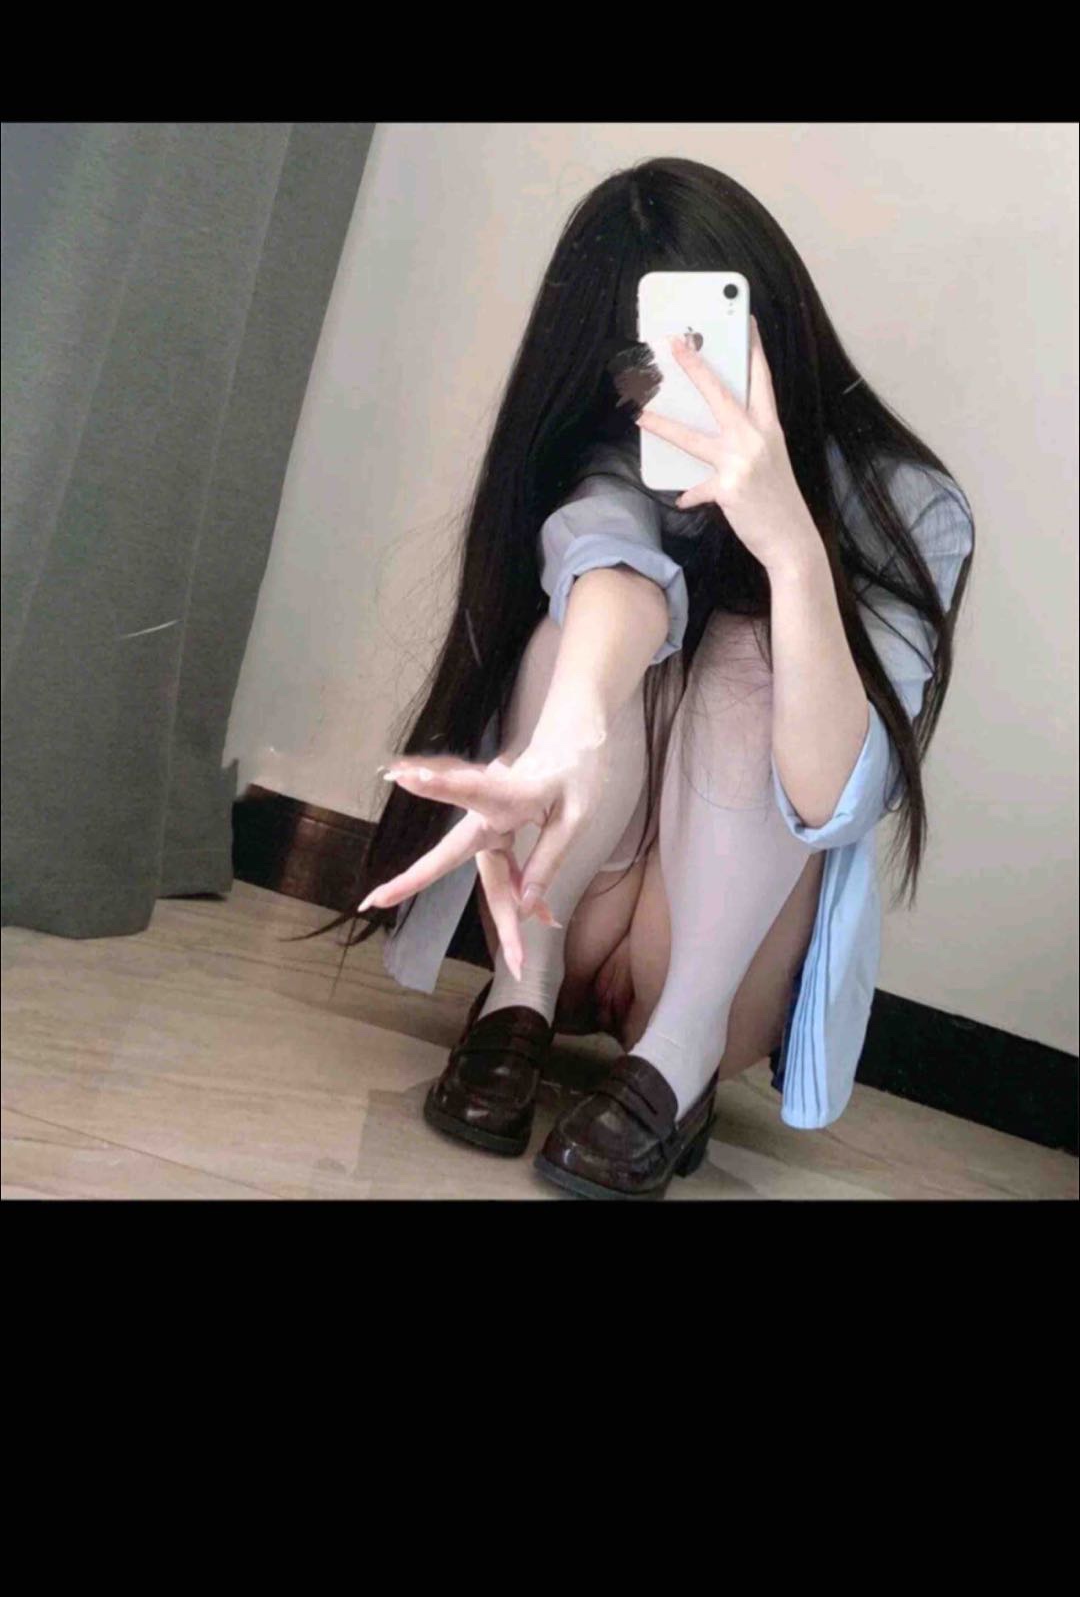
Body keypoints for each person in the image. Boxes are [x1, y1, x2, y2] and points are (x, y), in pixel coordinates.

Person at [289, 157, 975, 1200]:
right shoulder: (626, 447)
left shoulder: (906, 503)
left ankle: (676, 1058)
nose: (664, 389)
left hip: (721, 974)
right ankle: (517, 999)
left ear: (772, 329)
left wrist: (792, 547)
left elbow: (834, 796)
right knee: (591, 624)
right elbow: (613, 573)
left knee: (756, 651)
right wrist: (568, 731)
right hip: (571, 917)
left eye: (705, 347)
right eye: (635, 363)